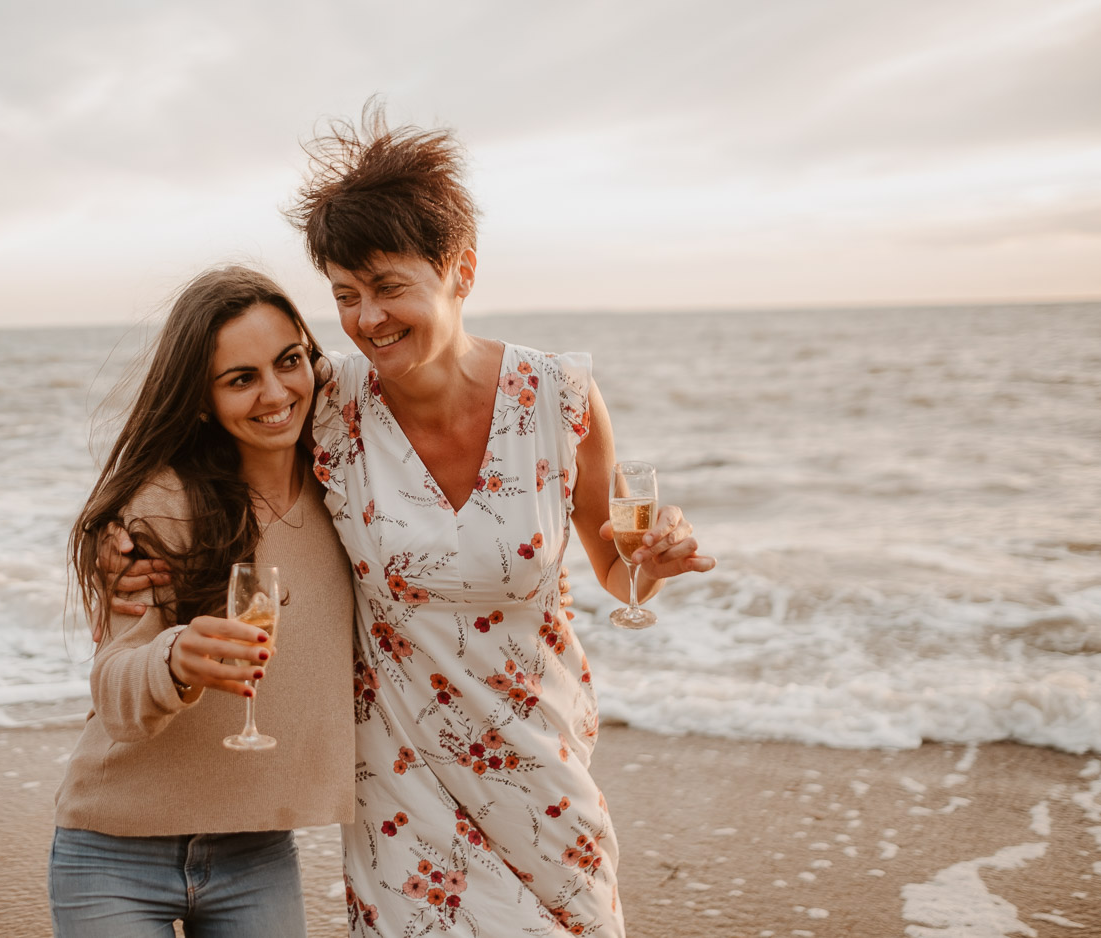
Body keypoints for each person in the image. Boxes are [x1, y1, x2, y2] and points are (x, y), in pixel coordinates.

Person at [104, 104, 714, 938]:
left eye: (390, 287)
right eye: (346, 296)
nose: (367, 320)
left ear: (461, 269)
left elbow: (617, 564)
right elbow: (225, 430)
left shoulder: (558, 399)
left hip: (538, 753)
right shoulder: (330, 408)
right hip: (398, 773)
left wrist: (658, 557)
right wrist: (133, 540)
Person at [49, 267, 355, 938]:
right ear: (199, 401)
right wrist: (174, 662)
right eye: (240, 379)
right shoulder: (160, 507)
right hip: (113, 851)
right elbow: (114, 688)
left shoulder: (351, 493)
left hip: (258, 848)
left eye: (289, 361)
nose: (276, 393)